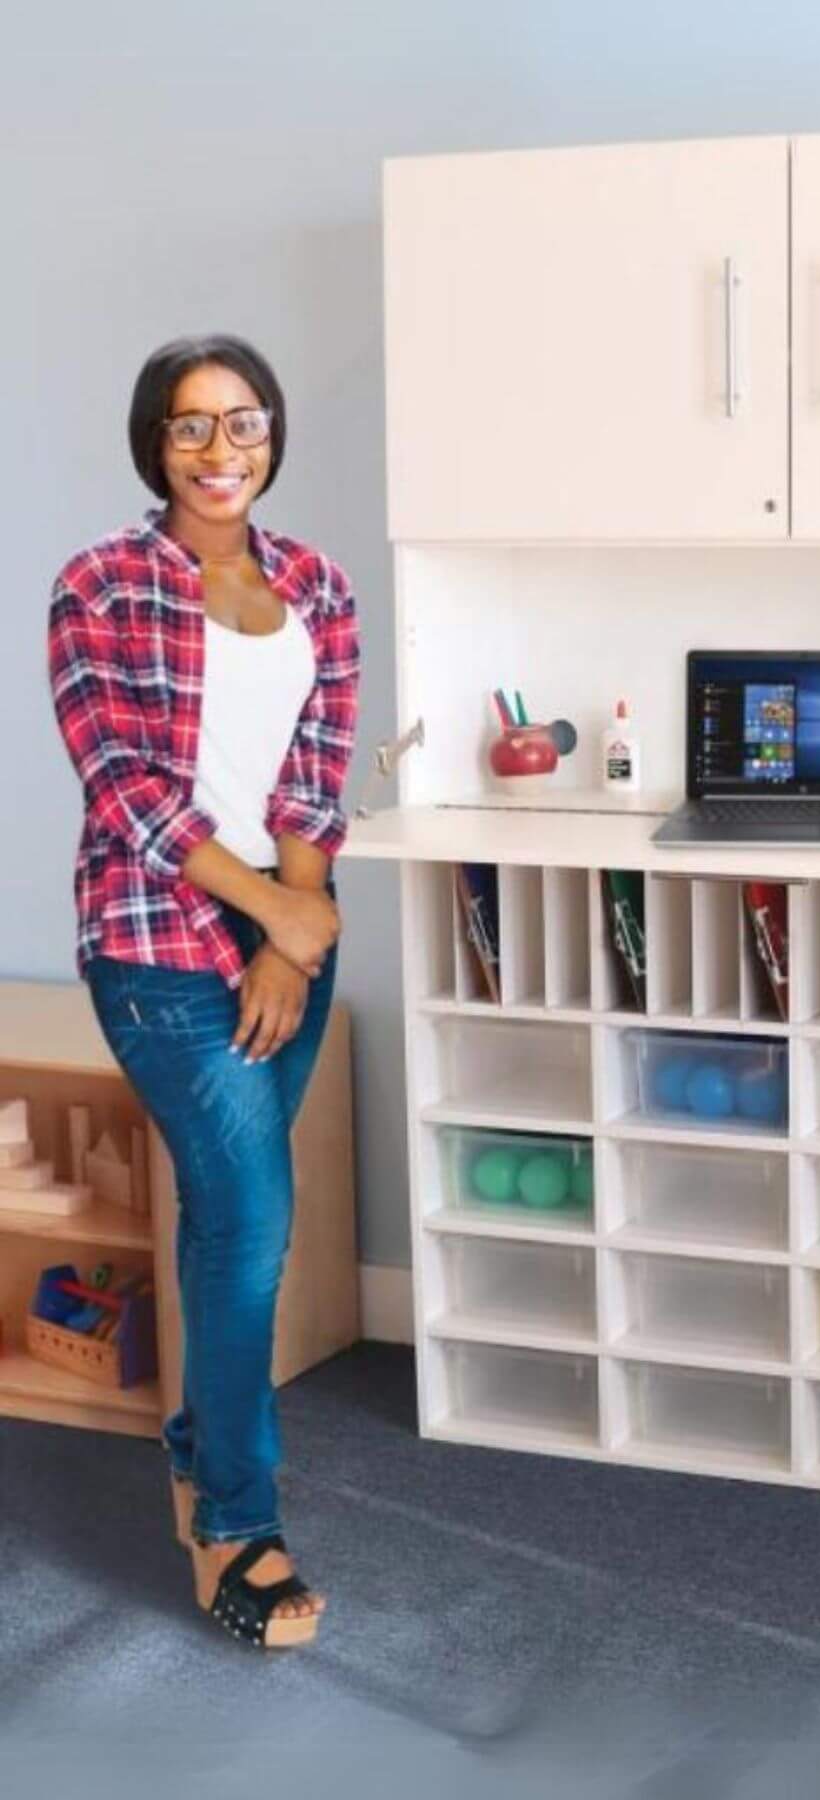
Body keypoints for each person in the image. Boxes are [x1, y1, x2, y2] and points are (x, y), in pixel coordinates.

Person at [47, 333, 359, 1649]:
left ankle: (193, 1442)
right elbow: (124, 788)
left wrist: (295, 935)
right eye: (190, 427)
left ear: (273, 431)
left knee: (230, 1221)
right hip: (160, 945)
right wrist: (273, 910)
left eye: (243, 422)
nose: (221, 451)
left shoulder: (318, 584)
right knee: (249, 1228)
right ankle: (234, 1520)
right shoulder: (101, 583)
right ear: (151, 443)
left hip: (287, 944)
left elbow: (317, 767)